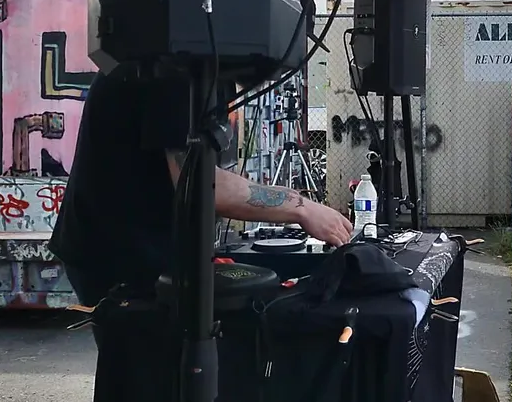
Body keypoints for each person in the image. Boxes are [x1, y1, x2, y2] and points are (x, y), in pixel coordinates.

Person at [49, 63, 355, 309]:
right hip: (119, 255)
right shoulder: (178, 70)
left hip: (129, 242)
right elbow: (198, 181)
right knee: (151, 362)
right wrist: (303, 208)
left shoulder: (189, 59)